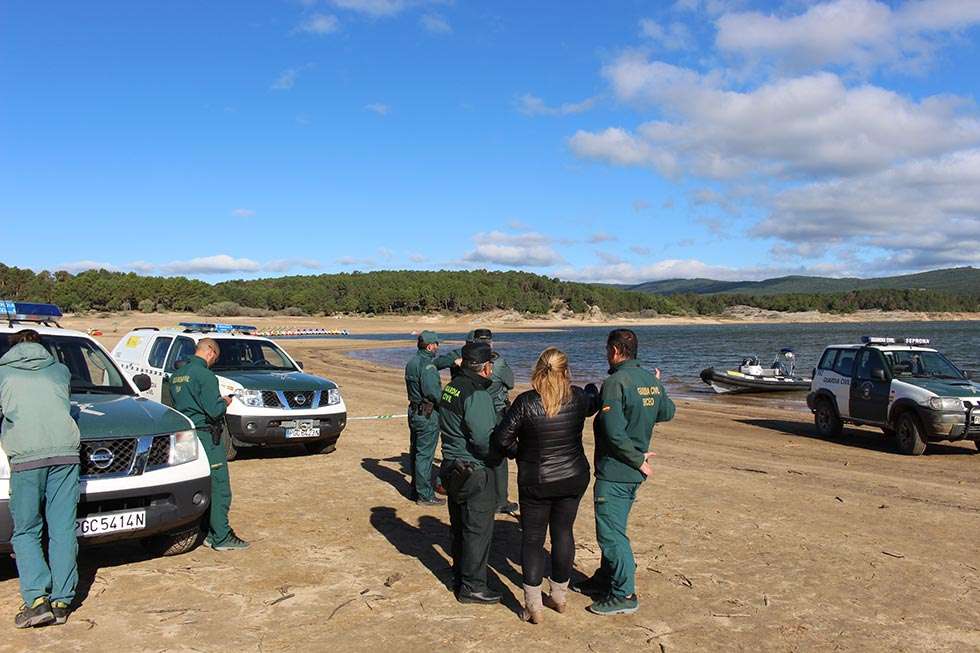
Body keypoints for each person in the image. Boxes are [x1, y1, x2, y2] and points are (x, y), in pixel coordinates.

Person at [493, 347, 599, 624]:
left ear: (538, 370)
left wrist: (521, 453)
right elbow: (593, 403)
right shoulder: (575, 397)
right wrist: (593, 390)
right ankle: (559, 597)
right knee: (563, 533)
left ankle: (534, 606)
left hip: (538, 480)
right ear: (565, 370)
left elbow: (501, 439)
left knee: (533, 539)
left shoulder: (527, 402)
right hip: (572, 476)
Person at [574, 328, 675, 616]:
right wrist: (657, 388)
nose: (607, 355)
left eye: (608, 350)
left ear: (616, 351)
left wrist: (636, 460)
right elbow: (667, 412)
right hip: (630, 472)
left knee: (611, 534)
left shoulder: (616, 382)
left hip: (619, 471)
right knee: (614, 528)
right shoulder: (647, 380)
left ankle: (624, 593)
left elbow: (614, 431)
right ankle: (606, 579)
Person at [0, 329, 81, 628]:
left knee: (26, 530)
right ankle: (62, 601)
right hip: (66, 454)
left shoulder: (3, 373)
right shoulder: (60, 370)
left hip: (26, 457)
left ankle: (36, 600)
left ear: (13, 347)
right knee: (62, 528)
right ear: (41, 346)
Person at [169, 338, 249, 550]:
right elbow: (213, 410)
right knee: (220, 487)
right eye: (216, 358)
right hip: (204, 435)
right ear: (211, 352)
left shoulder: (177, 375)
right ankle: (221, 537)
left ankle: (204, 530)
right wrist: (225, 402)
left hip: (184, 436)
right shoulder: (205, 375)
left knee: (194, 484)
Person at [437, 341, 501, 604]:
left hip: (452, 465)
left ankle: (459, 575)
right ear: (485, 368)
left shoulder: (451, 387)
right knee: (477, 529)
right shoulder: (476, 394)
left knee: (460, 525)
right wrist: (499, 455)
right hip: (472, 468)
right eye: (491, 365)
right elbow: (482, 439)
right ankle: (472, 586)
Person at [435, 329, 517, 515]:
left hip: (464, 408)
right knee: (495, 458)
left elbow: (438, 363)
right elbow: (510, 382)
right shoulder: (497, 362)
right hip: (492, 411)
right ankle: (500, 500)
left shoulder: (462, 359)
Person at [404, 331, 446, 506]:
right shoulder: (427, 366)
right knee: (424, 456)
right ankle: (425, 495)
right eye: (436, 344)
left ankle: (416, 490)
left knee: (416, 453)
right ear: (430, 346)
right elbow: (434, 393)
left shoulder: (412, 362)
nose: (437, 347)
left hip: (414, 412)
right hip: (426, 414)